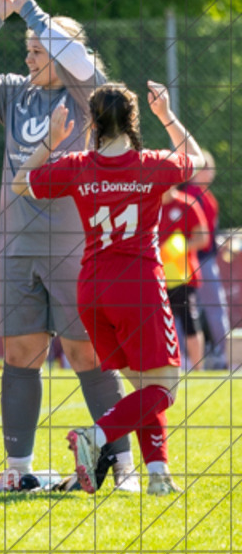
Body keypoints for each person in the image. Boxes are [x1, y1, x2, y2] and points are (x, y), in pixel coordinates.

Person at [0, 0, 137, 492]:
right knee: (19, 356)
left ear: (64, 53)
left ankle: (124, 467)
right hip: (17, 249)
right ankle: (19, 472)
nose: (29, 58)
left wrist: (33, 10)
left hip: (74, 250)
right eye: (27, 50)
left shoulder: (88, 97)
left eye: (38, 50)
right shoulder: (15, 94)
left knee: (86, 355)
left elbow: (84, 65)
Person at [12, 80, 205, 495]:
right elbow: (198, 160)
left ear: (93, 123)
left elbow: (20, 183)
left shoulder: (78, 165)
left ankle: (158, 475)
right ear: (133, 120)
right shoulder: (150, 163)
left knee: (143, 386)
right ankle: (95, 437)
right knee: (163, 389)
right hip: (137, 286)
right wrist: (166, 114)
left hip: (92, 288)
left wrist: (50, 140)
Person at [182, 150, 231, 370]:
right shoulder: (192, 195)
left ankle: (200, 357)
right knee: (211, 309)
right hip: (198, 261)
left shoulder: (202, 194)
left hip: (197, 259)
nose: (212, 173)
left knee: (187, 311)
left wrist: (219, 244)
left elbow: (209, 231)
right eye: (208, 169)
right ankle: (225, 355)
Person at [158, 186, 209, 368]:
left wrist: (177, 248)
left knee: (190, 323)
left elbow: (203, 238)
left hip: (183, 277)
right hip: (156, 277)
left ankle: (198, 369)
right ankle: (165, 368)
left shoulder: (187, 204)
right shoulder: (148, 204)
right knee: (158, 326)